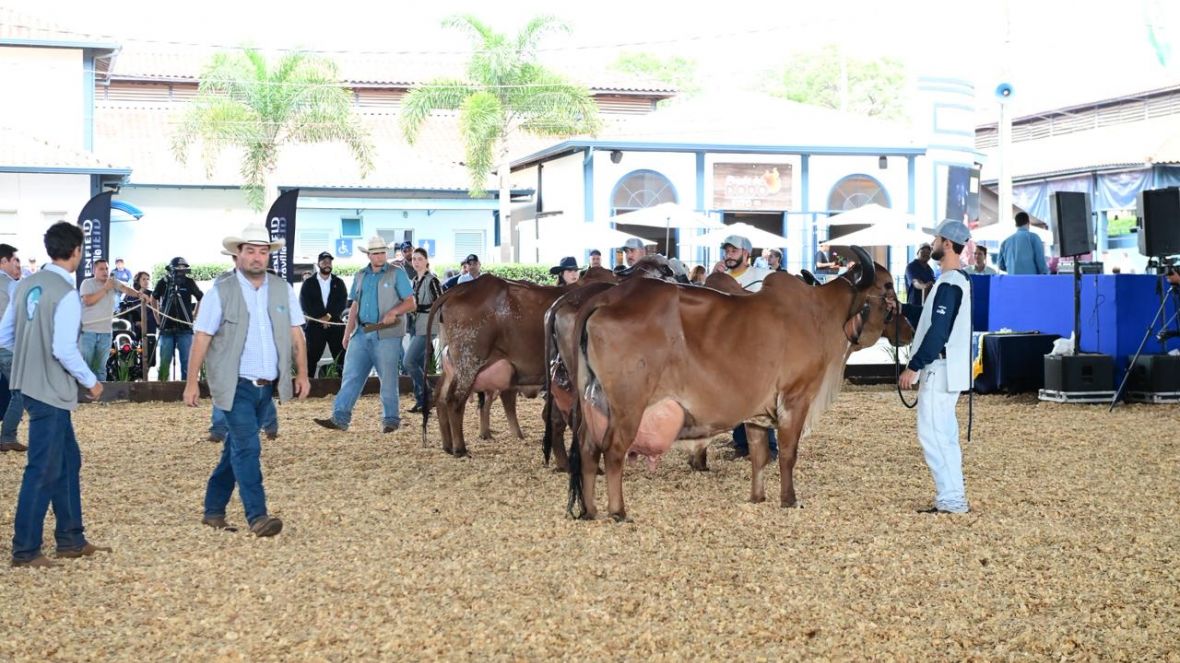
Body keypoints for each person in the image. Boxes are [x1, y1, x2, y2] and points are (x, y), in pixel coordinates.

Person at [183, 223, 309, 536]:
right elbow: (202, 337)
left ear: (269, 255)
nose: (256, 257)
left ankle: (213, 510)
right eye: (250, 251)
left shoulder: (282, 289)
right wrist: (191, 382)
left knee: (236, 450)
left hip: (266, 387)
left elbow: (296, 333)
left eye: (262, 251)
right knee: (248, 448)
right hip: (233, 384)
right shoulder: (220, 291)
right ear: (237, 254)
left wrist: (303, 373)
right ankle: (258, 516)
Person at [1, 222, 108, 568]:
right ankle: (26, 549)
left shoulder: (25, 285)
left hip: (28, 383)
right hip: (51, 388)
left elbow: (5, 336)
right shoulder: (67, 294)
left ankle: (71, 538)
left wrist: (29, 357)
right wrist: (91, 380)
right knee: (43, 468)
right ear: (77, 251)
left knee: (68, 460)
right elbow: (64, 348)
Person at [898, 219, 973, 515]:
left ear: (949, 244)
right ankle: (953, 496)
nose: (933, 243)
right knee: (945, 434)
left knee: (933, 434)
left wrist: (914, 366)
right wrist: (903, 308)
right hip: (947, 368)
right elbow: (933, 318)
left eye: (937, 238)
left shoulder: (950, 283)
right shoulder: (955, 281)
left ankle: (952, 499)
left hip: (938, 367)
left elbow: (938, 331)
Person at [314, 236, 416, 433]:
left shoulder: (397, 274)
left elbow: (411, 303)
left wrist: (394, 311)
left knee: (388, 379)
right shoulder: (360, 275)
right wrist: (347, 332)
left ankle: (391, 420)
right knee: (350, 376)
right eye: (375, 253)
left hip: (387, 334)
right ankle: (340, 418)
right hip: (361, 333)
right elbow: (354, 305)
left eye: (381, 252)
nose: (379, 256)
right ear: (368, 255)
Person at [713, 234, 777, 459]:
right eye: (727, 251)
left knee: (760, 396)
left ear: (746, 254)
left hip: (757, 344)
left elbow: (774, 304)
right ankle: (741, 444)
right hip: (729, 345)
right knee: (736, 395)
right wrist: (714, 278)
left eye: (734, 251)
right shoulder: (720, 277)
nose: (729, 255)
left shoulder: (763, 276)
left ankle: (768, 448)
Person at [79, 259, 145, 381]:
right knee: (86, 365)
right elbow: (88, 301)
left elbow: (126, 289)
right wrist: (105, 288)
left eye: (107, 268)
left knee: (100, 368)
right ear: (94, 270)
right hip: (88, 332)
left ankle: (99, 397)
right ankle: (83, 397)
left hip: (106, 332)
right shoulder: (87, 283)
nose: (105, 271)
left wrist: (139, 295)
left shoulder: (113, 282)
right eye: (101, 269)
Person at [152, 256, 203, 381]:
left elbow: (201, 297)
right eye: (178, 269)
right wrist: (157, 316)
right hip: (166, 327)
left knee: (186, 361)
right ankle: (162, 390)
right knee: (164, 360)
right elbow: (154, 298)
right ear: (171, 269)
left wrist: (195, 315)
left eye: (183, 269)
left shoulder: (189, 282)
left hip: (185, 327)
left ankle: (187, 388)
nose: (181, 271)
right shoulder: (163, 282)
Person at [299, 251, 348, 378]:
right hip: (315, 325)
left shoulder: (339, 282)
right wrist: (321, 318)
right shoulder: (309, 283)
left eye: (329, 262)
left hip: (335, 324)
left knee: (341, 355)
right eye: (324, 261)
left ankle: (344, 383)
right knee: (311, 356)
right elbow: (305, 304)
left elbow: (342, 302)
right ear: (319, 263)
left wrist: (329, 316)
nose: (327, 264)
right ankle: (308, 384)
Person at [407, 247, 442, 413]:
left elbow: (440, 302)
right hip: (416, 325)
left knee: (408, 361)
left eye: (420, 259)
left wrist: (418, 307)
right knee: (419, 363)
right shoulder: (414, 280)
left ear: (427, 261)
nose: (416, 262)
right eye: (414, 259)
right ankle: (422, 401)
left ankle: (428, 391)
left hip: (428, 326)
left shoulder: (432, 280)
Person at [0, 243, 26, 452]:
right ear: (4, 261)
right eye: (14, 260)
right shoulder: (12, 285)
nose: (16, 264)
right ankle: (8, 437)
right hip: (7, 346)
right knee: (20, 392)